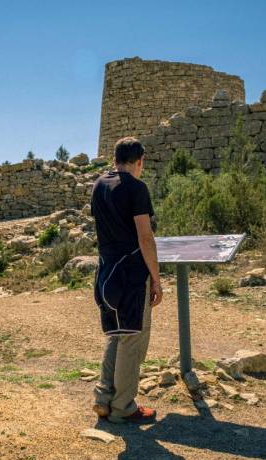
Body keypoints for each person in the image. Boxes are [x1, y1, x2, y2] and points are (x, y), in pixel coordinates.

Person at [91, 137, 163, 424]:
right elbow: (145, 237)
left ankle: (103, 399)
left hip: (106, 273)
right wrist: (156, 280)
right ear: (139, 161)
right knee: (132, 339)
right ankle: (123, 406)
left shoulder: (98, 185)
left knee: (115, 335)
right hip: (131, 275)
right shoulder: (136, 188)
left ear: (115, 158)